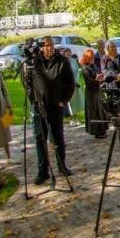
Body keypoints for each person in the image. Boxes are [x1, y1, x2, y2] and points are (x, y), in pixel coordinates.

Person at [31, 36, 76, 182]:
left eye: (50, 45)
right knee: (40, 139)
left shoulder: (62, 61)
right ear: (42, 47)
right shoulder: (35, 61)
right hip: (39, 106)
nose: (48, 48)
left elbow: (71, 83)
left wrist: (63, 101)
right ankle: (43, 171)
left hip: (56, 106)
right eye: (45, 45)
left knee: (58, 137)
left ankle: (61, 165)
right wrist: (33, 99)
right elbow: (27, 83)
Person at [81, 49, 108, 138]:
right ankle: (97, 131)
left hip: (97, 90)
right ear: (86, 58)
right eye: (90, 58)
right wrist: (97, 79)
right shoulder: (85, 68)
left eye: (92, 58)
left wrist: (102, 76)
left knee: (100, 109)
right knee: (95, 111)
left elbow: (99, 73)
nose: (92, 59)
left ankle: (102, 130)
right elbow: (89, 81)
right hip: (91, 92)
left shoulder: (93, 65)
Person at [66, 49, 84, 126]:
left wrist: (75, 81)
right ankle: (70, 119)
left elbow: (77, 72)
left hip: (75, 84)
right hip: (67, 85)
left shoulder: (73, 61)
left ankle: (76, 118)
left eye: (70, 52)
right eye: (67, 52)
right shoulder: (63, 62)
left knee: (75, 102)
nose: (69, 53)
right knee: (69, 102)